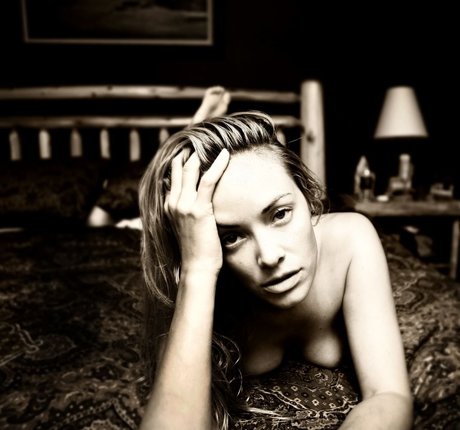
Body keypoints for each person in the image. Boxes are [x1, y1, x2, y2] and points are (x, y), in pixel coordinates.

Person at [137, 90, 413, 429]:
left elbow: (389, 394)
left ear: (309, 197)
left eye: (280, 214)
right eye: (231, 237)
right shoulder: (192, 271)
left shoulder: (351, 238)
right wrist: (198, 269)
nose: (269, 256)